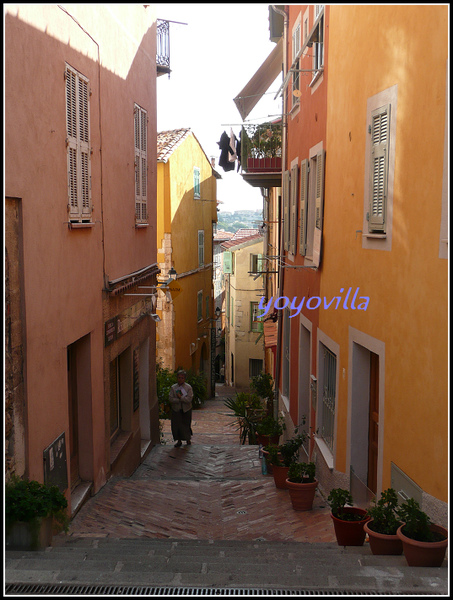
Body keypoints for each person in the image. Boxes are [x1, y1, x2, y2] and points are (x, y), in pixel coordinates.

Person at [168, 370, 193, 447]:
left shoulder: (188, 387)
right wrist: (178, 400)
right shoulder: (174, 387)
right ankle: (179, 441)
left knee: (186, 424)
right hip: (176, 409)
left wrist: (181, 398)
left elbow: (189, 399)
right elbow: (171, 399)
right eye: (179, 377)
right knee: (177, 425)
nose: (180, 379)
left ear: (184, 379)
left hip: (186, 409)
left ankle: (187, 439)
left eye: (182, 378)